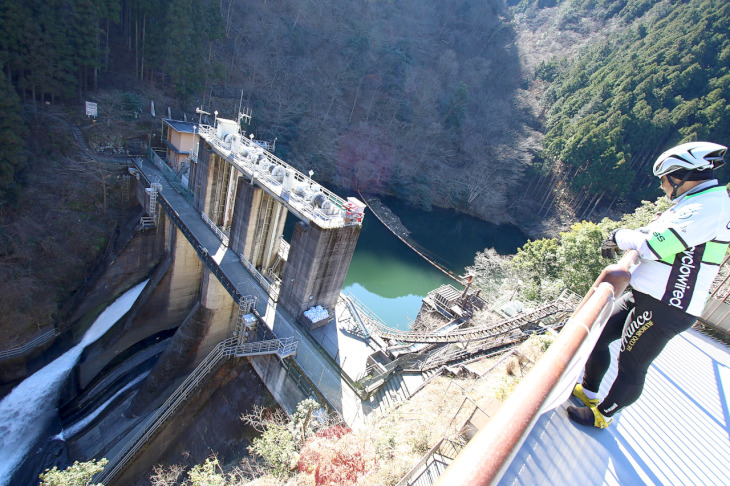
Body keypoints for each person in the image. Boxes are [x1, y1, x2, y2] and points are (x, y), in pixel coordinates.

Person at [567, 141, 730, 429]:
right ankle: (589, 391)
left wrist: (618, 236)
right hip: (647, 294)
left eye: (665, 181)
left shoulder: (709, 207)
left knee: (632, 364)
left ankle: (603, 414)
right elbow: (652, 231)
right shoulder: (697, 203)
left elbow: (654, 245)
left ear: (680, 176)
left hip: (669, 305)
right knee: (599, 334)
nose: (664, 188)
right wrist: (632, 236)